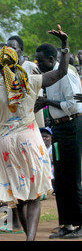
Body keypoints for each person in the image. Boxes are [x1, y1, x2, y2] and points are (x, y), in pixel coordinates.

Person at [0, 25, 71, 241]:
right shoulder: (33, 82)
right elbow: (62, 72)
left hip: (6, 144)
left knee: (18, 196)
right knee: (34, 195)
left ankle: (29, 238)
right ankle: (30, 239)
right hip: (30, 140)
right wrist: (64, 46)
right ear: (18, 61)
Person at [33, 28, 82, 239]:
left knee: (73, 178)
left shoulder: (68, 75)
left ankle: (80, 225)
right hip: (59, 129)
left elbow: (75, 105)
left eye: (41, 61)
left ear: (53, 59)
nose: (38, 65)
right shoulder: (49, 76)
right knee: (60, 179)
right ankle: (66, 224)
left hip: (72, 127)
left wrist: (48, 102)